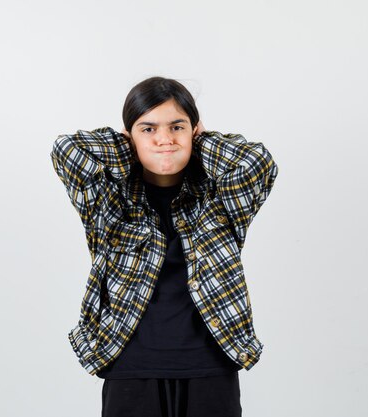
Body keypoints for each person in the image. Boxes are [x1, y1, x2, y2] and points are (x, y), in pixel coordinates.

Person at [50, 76, 279, 417]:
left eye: (177, 127)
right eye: (148, 129)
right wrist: (132, 146)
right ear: (128, 138)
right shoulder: (108, 201)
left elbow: (256, 162)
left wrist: (199, 144)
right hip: (130, 366)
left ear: (194, 131)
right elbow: (68, 150)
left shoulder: (219, 199)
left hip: (210, 366)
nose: (164, 139)